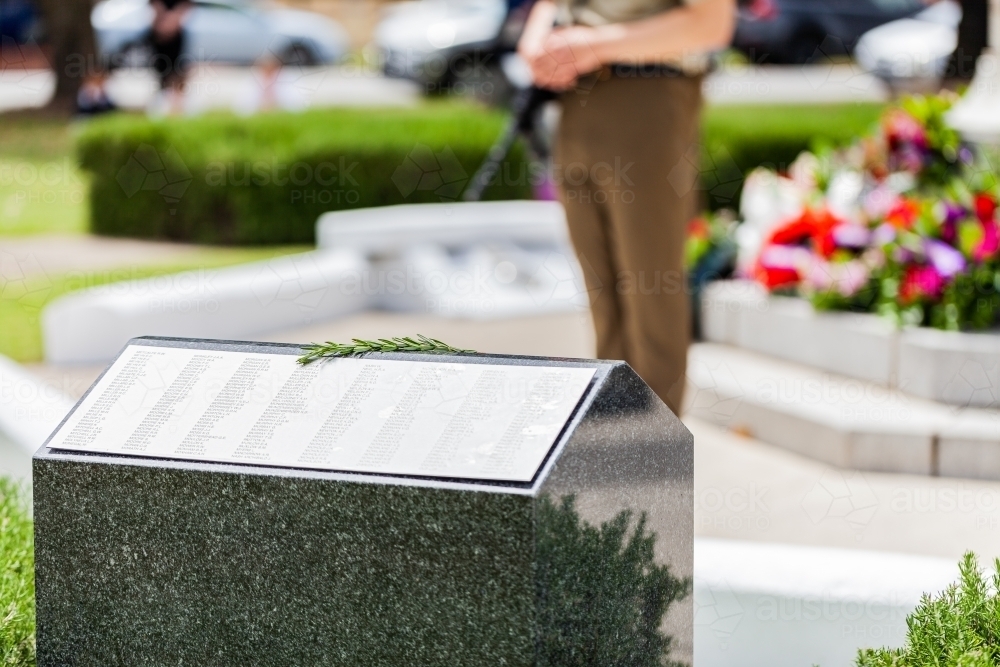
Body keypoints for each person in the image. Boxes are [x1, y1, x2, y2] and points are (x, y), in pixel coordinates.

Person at [517, 0, 734, 414]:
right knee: (604, 302)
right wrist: (536, 44)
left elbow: (711, 23)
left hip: (648, 94)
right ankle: (617, 450)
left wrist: (594, 45)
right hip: (576, 99)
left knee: (650, 294)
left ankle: (654, 459)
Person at [148, 0, 192, 115]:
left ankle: (176, 101)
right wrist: (162, 22)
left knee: (176, 69)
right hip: (160, 30)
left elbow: (187, 4)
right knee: (161, 69)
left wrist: (173, 20)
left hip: (175, 31)